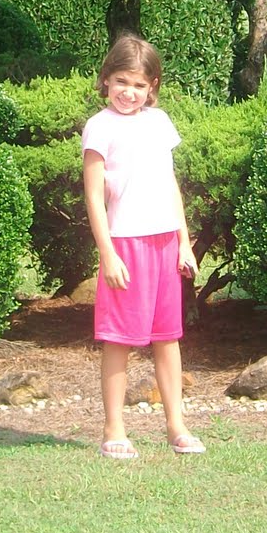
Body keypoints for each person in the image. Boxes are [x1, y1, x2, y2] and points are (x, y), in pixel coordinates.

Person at [82, 34, 204, 460]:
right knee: (119, 339)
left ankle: (177, 426)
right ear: (106, 80)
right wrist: (108, 253)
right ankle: (114, 429)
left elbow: (170, 185)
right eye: (121, 81)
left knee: (167, 338)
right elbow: (94, 197)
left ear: (152, 85)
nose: (128, 92)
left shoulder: (159, 123)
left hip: (164, 244)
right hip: (125, 246)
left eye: (138, 84)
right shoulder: (99, 127)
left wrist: (184, 243)